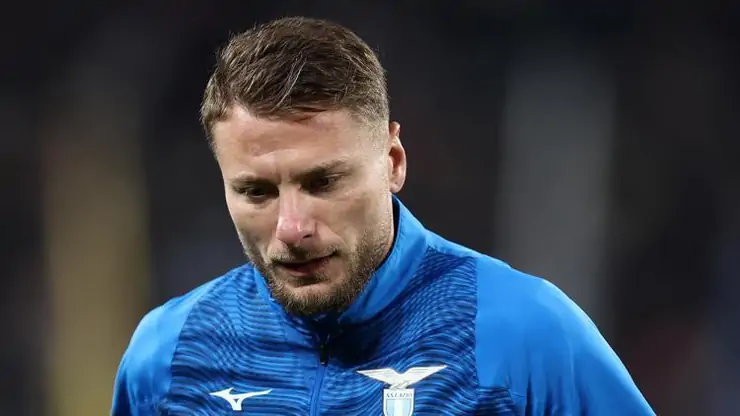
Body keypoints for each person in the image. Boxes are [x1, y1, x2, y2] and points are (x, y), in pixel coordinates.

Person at [111, 16, 654, 415]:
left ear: (392, 162)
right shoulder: (168, 355)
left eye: (323, 182)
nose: (292, 229)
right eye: (256, 192)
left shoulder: (523, 335)